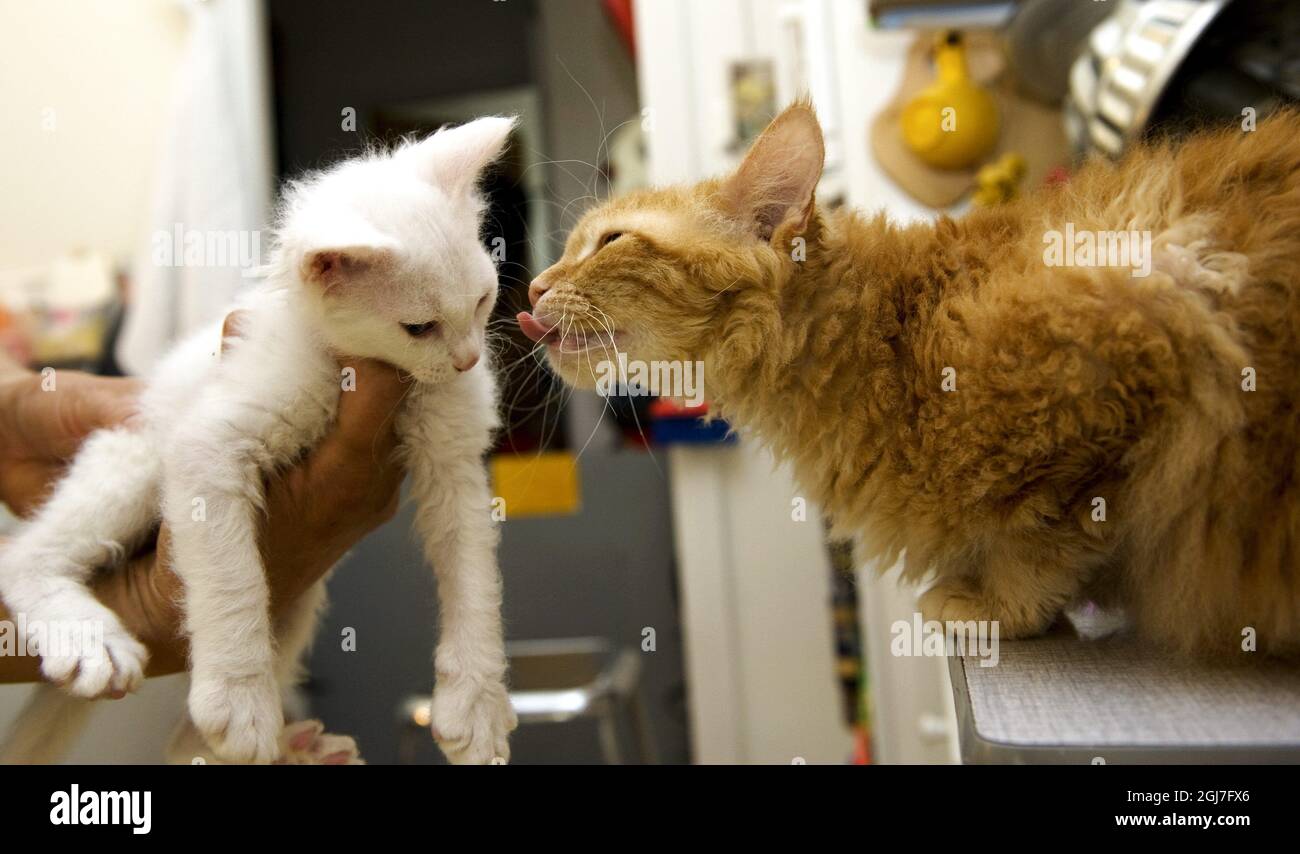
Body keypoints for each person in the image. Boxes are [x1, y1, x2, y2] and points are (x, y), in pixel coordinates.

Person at [0, 320, 408, 687]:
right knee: (142, 462)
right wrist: (140, 606)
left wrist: (13, 401)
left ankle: (223, 735)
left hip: (173, 470)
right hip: (155, 451)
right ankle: (39, 574)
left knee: (302, 587)